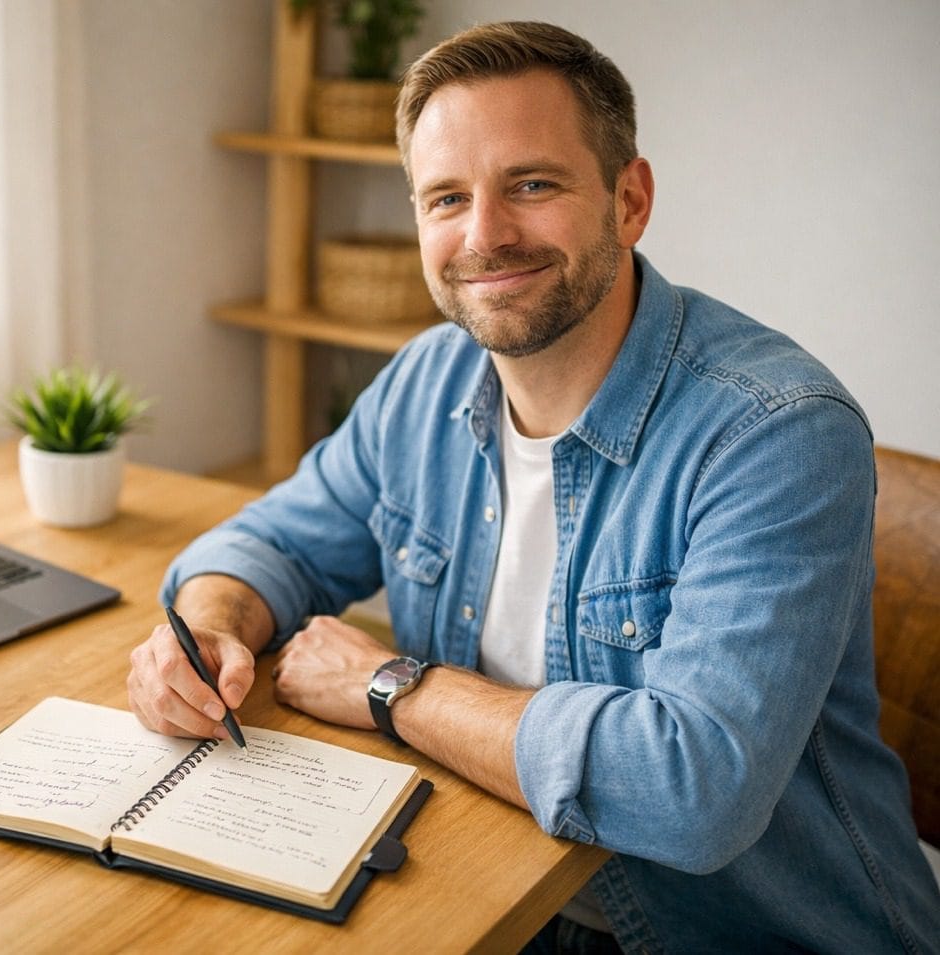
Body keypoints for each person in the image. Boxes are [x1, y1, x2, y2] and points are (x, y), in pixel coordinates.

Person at [126, 19, 940, 954]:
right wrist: (208, 629)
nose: (485, 236)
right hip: (496, 895)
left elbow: (694, 792)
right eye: (446, 198)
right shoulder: (424, 380)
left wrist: (392, 686)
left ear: (629, 200)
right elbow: (272, 541)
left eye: (532, 185)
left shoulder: (776, 433)